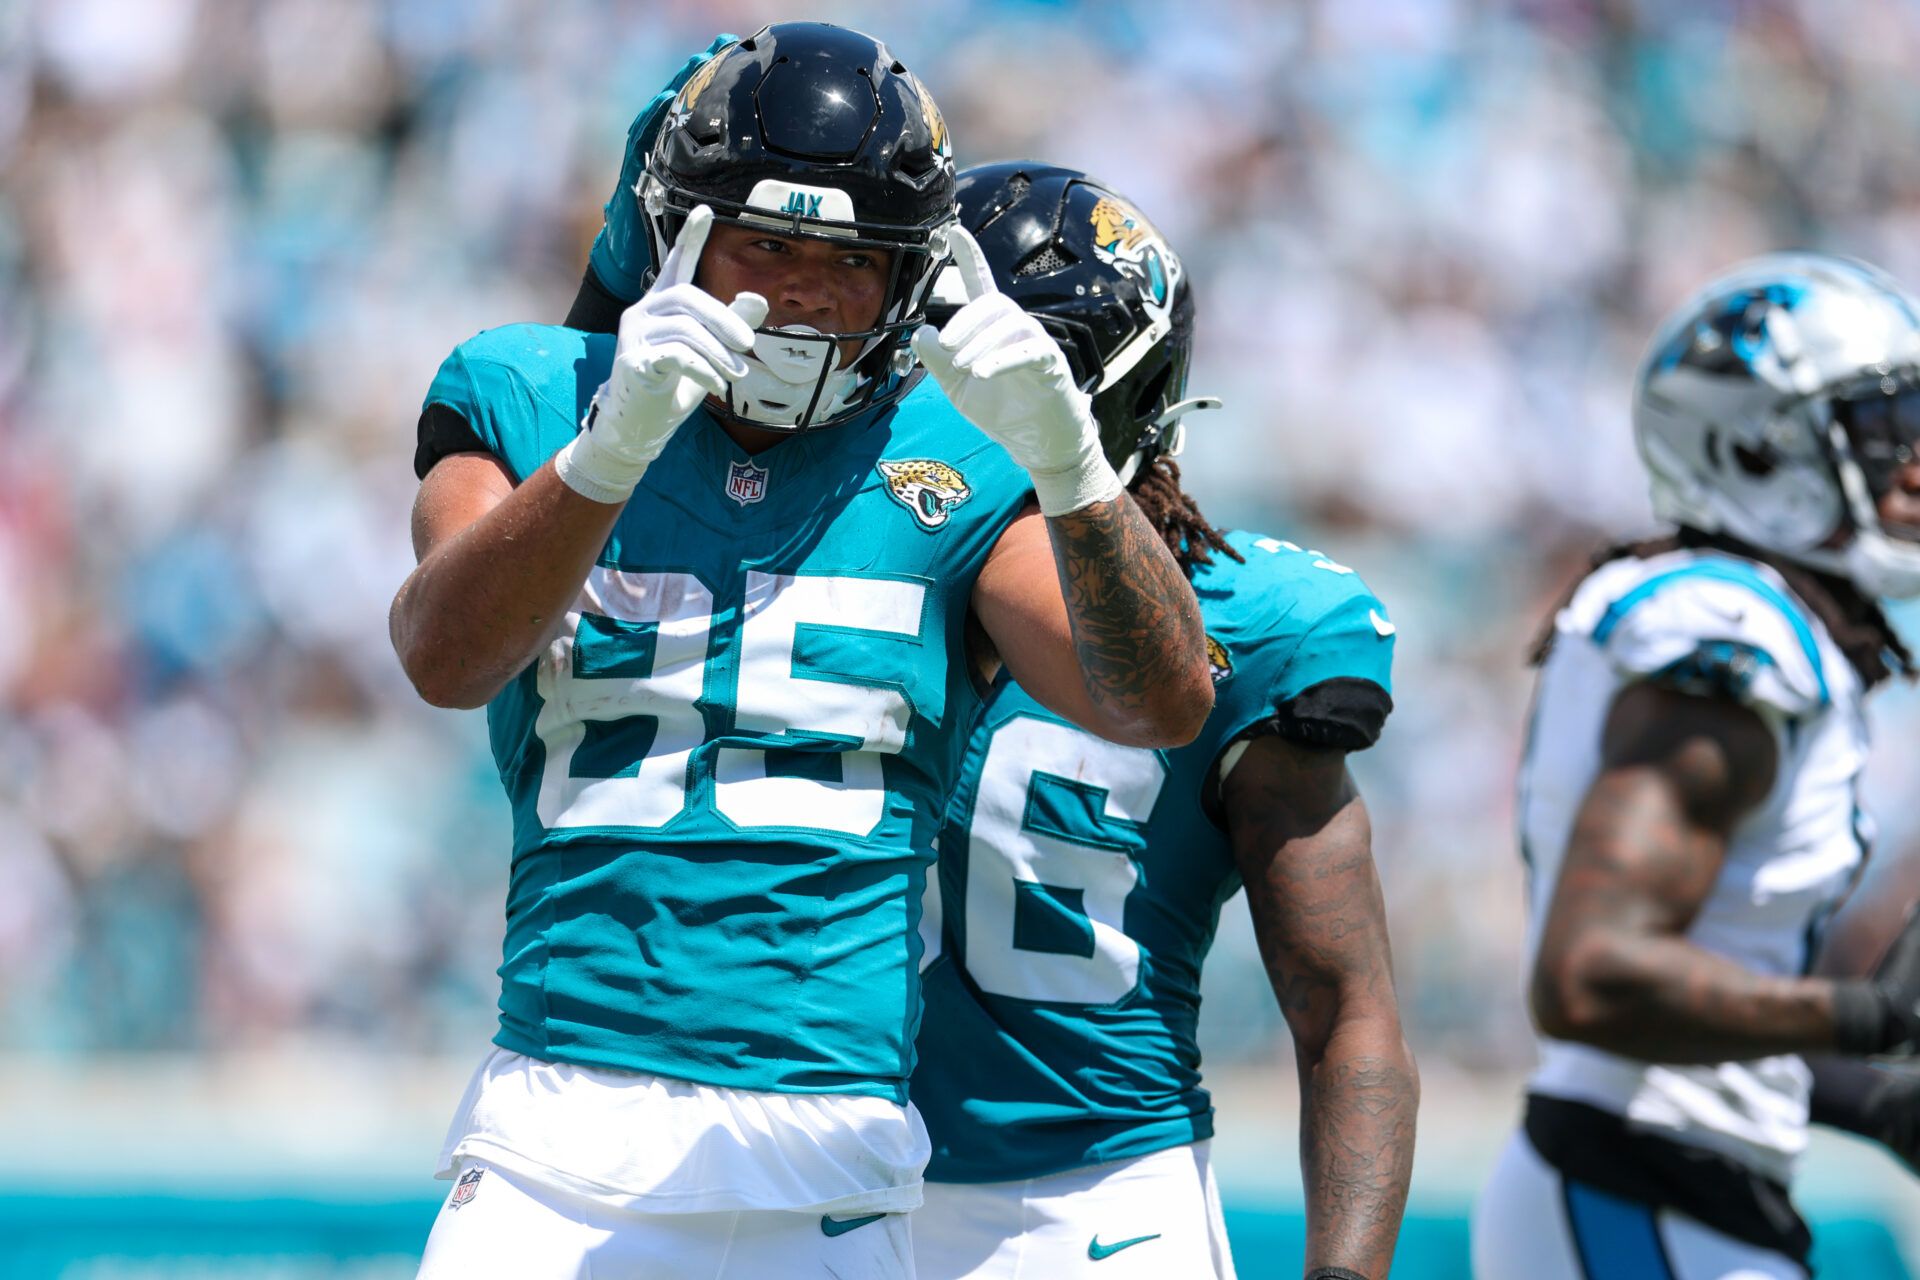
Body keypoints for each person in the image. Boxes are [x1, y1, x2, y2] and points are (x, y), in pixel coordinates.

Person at [389, 25, 1213, 1279]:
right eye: (766, 244)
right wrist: (605, 456)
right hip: (555, 1132)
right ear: (676, 233)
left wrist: (1072, 465)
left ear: (913, 276)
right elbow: (442, 657)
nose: (808, 293)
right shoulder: (535, 388)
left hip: (833, 1148)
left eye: (853, 259)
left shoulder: (964, 451)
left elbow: (1158, 700)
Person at [907, 163, 1417, 1280]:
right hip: (828, 1168)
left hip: (1096, 1204)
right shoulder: (834, 573)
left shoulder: (1240, 629)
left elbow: (1346, 1009)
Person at [1473, 253, 1920, 1280]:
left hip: (1663, 1191)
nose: (1916, 464)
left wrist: (1874, 1098)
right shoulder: (1730, 635)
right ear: (1760, 448)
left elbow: (1708, 980)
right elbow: (1593, 977)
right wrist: (1872, 1015)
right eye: (1886, 429)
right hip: (1635, 1190)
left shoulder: (1751, 620)